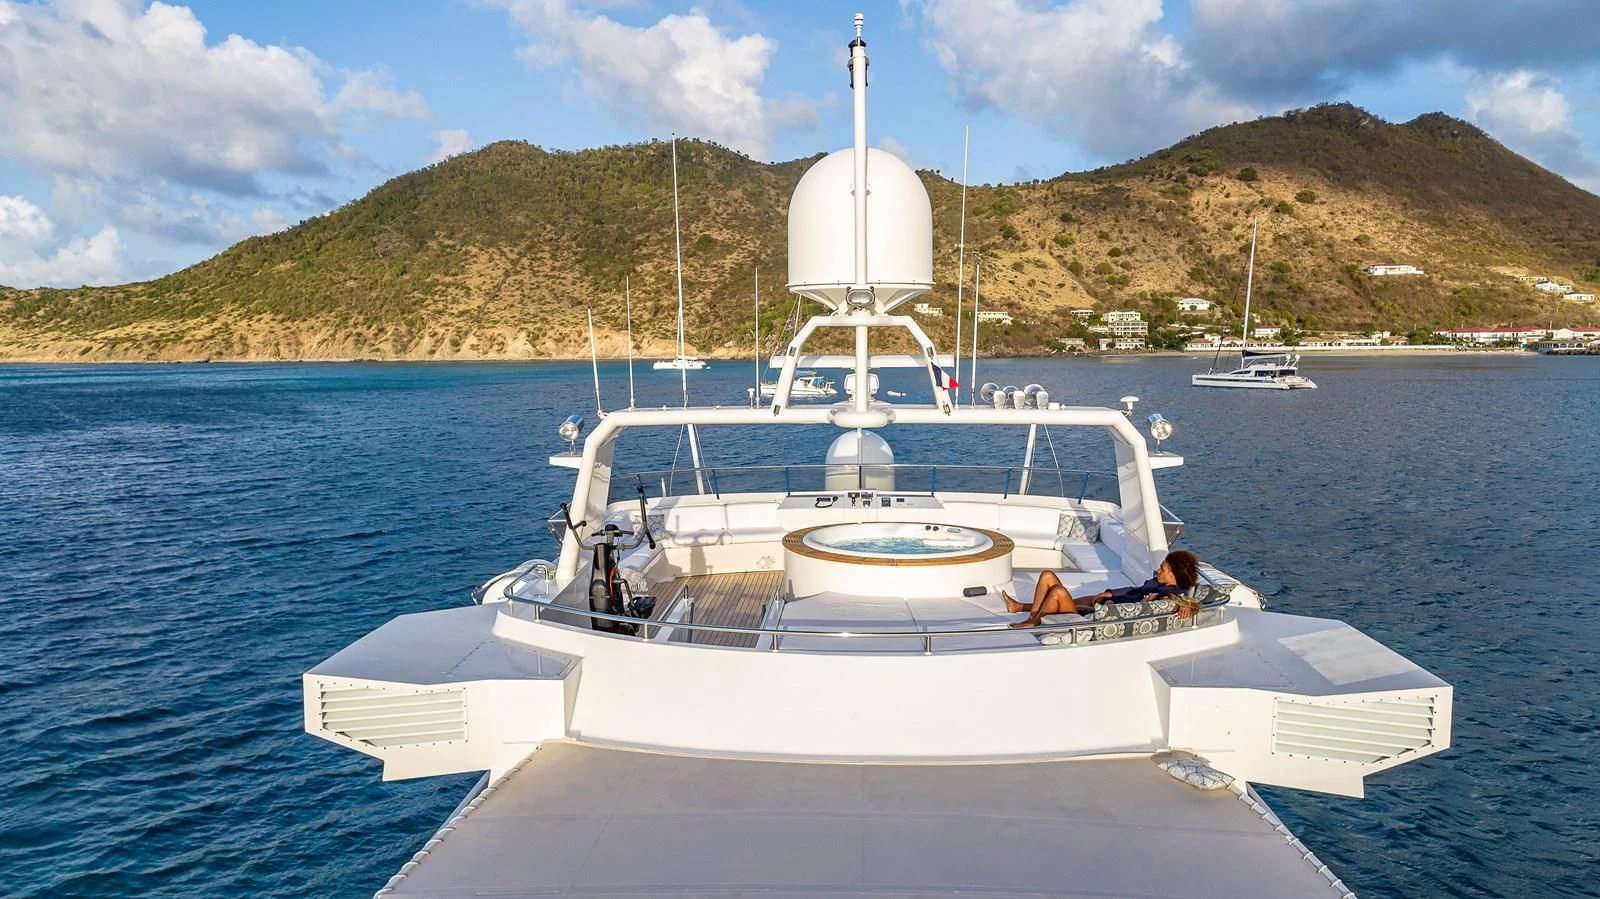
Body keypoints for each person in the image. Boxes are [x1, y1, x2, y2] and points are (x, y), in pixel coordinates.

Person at [1004, 550, 1200, 628]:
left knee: (1058, 593)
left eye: (1163, 568)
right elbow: (1135, 590)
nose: (1159, 569)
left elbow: (1187, 603)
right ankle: (1025, 612)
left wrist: (1189, 608)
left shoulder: (1171, 593)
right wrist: (1110, 593)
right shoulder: (1157, 583)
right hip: (1106, 603)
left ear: (1173, 574)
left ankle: (1035, 622)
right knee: (1047, 575)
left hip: (1099, 613)